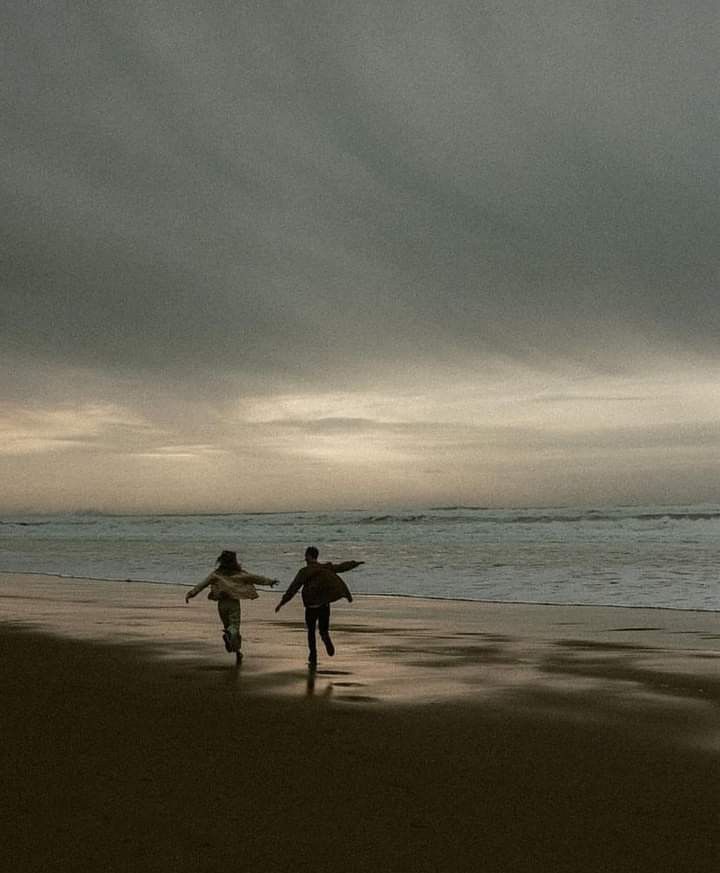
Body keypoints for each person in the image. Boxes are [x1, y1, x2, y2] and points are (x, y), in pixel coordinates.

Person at [275, 546, 364, 668]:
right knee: (323, 630)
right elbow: (341, 567)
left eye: (306, 555)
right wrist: (355, 564)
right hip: (324, 604)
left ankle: (313, 655)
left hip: (311, 606)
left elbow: (293, 588)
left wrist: (282, 602)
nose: (305, 558)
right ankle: (325, 638)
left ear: (308, 556)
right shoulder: (325, 567)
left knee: (311, 631)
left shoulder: (304, 571)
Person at [185, 550, 279, 662]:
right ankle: (233, 641)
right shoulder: (239, 574)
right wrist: (270, 582)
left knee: (228, 628)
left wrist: (191, 594)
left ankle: (238, 652)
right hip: (233, 603)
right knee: (234, 627)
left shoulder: (216, 574)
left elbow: (202, 584)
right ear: (234, 561)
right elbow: (256, 578)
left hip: (221, 605)